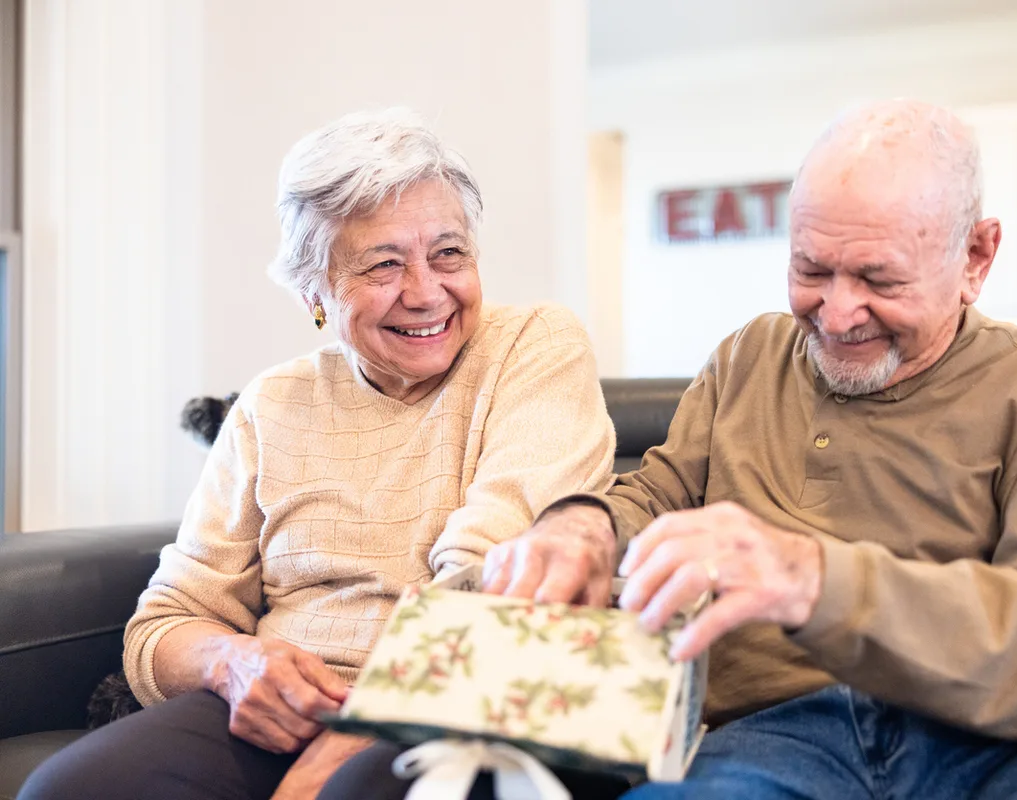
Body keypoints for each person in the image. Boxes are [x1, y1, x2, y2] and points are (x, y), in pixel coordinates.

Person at [483, 100, 1017, 798]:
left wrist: (810, 577)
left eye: (878, 279)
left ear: (975, 257)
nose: (836, 311)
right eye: (811, 270)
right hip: (776, 738)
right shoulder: (749, 358)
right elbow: (659, 492)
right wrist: (585, 523)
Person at [18, 107, 616, 800]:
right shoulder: (273, 404)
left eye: (448, 253)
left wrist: (350, 741)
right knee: (73, 789)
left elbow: (494, 574)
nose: (426, 292)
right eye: (383, 264)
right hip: (279, 712)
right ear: (315, 294)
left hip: (466, 703)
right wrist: (231, 661)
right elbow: (166, 620)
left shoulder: (534, 346)